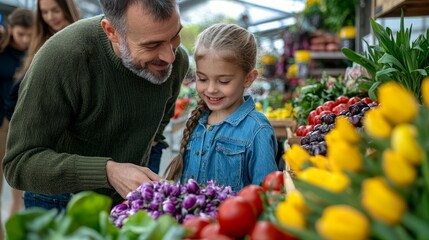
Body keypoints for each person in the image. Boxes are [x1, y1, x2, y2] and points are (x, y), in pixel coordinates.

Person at [3, 0, 189, 211]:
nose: (170, 56)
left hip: (128, 200)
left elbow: (157, 130)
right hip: (60, 202)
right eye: (152, 45)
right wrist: (108, 171)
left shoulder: (176, 61)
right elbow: (19, 164)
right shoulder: (63, 58)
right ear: (111, 32)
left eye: (175, 35)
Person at [164, 23, 278, 192]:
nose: (210, 89)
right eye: (202, 79)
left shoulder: (257, 130)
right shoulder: (198, 121)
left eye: (223, 81)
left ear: (248, 78)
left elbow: (268, 195)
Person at [2, 0, 80, 215]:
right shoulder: (40, 42)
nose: (50, 16)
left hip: (68, 150)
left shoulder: (83, 41)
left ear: (67, 8)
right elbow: (18, 92)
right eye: (44, 12)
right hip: (41, 146)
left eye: (55, 10)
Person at [0, 7, 33, 238]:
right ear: (11, 29)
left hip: (22, 123)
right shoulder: (2, 48)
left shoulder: (33, 52)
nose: (25, 40)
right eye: (21, 34)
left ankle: (13, 232)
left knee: (19, 189)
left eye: (29, 35)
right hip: (1, 124)